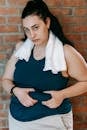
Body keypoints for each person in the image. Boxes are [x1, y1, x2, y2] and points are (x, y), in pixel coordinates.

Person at [2, 0, 87, 130]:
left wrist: (62, 95)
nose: (31, 35)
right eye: (27, 30)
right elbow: (6, 80)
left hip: (51, 121)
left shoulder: (65, 52)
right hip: (16, 120)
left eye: (36, 27)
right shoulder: (21, 48)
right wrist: (15, 91)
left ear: (47, 22)